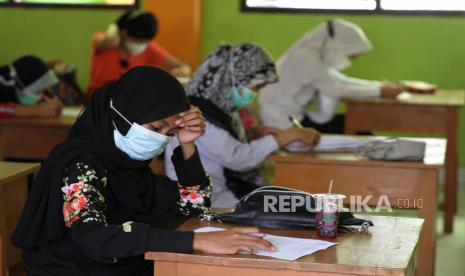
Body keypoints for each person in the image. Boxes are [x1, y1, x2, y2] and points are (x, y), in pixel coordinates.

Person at [12, 67, 275, 276]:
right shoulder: (82, 165)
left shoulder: (131, 167)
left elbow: (194, 207)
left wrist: (187, 144)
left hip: (124, 267)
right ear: (121, 115)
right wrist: (194, 242)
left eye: (169, 133)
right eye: (156, 127)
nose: (162, 139)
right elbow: (93, 237)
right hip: (76, 270)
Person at [165, 44, 320, 208]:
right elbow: (238, 158)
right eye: (256, 87)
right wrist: (286, 137)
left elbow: (220, 143)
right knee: (291, 207)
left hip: (220, 191)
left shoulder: (219, 106)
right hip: (209, 200)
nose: (256, 93)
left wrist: (251, 133)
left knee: (292, 203)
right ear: (235, 79)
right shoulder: (198, 114)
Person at [259, 19, 404, 133]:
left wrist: (377, 86)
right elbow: (334, 89)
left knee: (355, 126)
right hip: (280, 122)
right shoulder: (305, 57)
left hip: (295, 117)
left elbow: (340, 80)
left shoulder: (315, 57)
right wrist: (379, 91)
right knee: (356, 130)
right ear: (338, 47)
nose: (350, 61)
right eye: (351, 56)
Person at [88, 10, 191, 96]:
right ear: (124, 33)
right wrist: (114, 29)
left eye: (145, 42)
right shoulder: (105, 43)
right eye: (137, 41)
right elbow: (110, 40)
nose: (141, 45)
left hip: (129, 103)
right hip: (99, 98)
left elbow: (182, 66)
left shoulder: (149, 48)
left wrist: (182, 70)